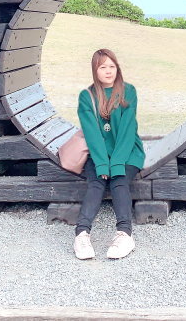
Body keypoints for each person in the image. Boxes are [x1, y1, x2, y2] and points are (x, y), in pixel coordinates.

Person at [73, 48, 146, 260]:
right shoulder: (87, 96)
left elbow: (127, 130)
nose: (108, 71)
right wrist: (103, 164)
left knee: (119, 180)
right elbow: (92, 134)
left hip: (127, 152)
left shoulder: (128, 91)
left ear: (117, 68)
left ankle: (125, 235)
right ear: (95, 70)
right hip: (99, 154)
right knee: (96, 181)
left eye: (112, 66)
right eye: (102, 67)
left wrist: (115, 164)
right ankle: (81, 234)